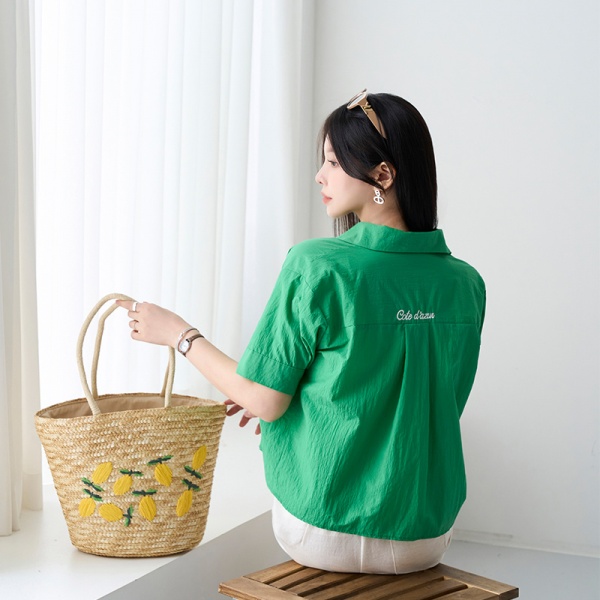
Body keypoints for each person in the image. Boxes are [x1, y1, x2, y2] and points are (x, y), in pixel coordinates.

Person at [116, 89, 486, 575]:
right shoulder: (465, 283)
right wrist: (291, 405)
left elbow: (265, 401)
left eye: (333, 161)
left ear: (382, 175)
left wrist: (179, 334)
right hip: (428, 534)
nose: (320, 176)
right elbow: (426, 404)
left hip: (326, 529)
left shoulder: (317, 265)